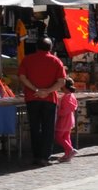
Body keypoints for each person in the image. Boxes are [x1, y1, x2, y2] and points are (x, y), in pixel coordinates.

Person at [17, 38, 67, 166]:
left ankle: (36, 155)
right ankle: (45, 157)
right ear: (50, 48)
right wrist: (48, 91)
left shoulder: (27, 59)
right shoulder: (56, 61)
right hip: (49, 99)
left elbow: (22, 77)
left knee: (34, 127)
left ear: (36, 47)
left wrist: (35, 89)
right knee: (48, 128)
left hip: (32, 97)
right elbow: (61, 81)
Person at [54, 78, 79, 162]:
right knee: (66, 137)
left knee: (58, 136)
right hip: (69, 119)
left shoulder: (66, 97)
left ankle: (70, 150)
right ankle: (67, 154)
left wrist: (58, 112)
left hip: (64, 120)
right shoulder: (71, 95)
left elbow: (64, 111)